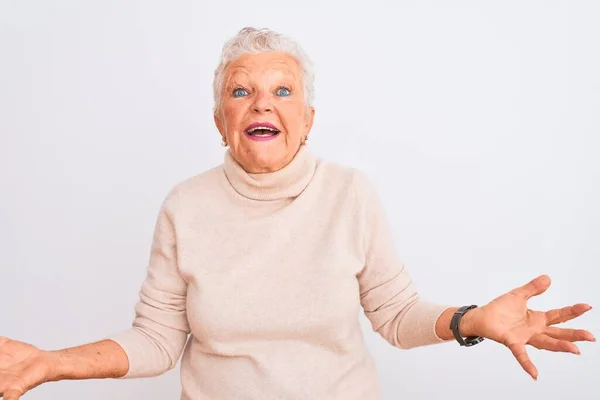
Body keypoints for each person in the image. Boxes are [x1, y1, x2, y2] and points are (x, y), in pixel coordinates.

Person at [0, 27, 595, 400]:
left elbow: (395, 315)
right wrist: (54, 364)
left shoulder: (350, 193)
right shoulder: (185, 205)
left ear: (308, 119)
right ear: (219, 121)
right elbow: (157, 341)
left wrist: (469, 320)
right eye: (241, 91)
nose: (262, 102)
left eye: (283, 91)